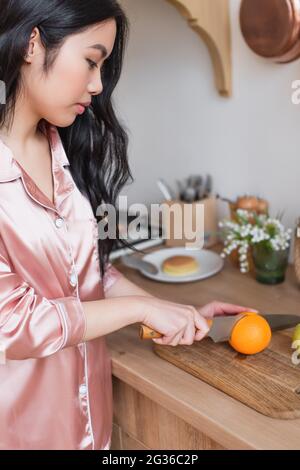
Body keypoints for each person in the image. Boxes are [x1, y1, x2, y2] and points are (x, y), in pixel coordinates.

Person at [0, 0, 257, 450]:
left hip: (91, 426)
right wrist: (141, 311)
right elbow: (13, 323)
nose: (98, 85)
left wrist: (172, 312)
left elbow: (86, 273)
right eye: (90, 61)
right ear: (33, 43)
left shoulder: (65, 150)